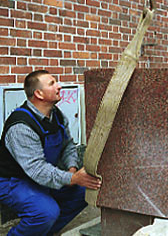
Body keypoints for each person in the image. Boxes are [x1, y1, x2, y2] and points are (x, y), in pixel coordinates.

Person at [0, 70, 101, 236]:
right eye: (52, 83)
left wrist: (72, 169)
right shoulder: (21, 126)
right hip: (12, 181)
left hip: (40, 176)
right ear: (39, 93)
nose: (59, 86)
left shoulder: (57, 115)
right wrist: (71, 179)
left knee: (85, 192)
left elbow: (68, 145)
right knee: (46, 212)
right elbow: (37, 169)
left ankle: (43, 231)